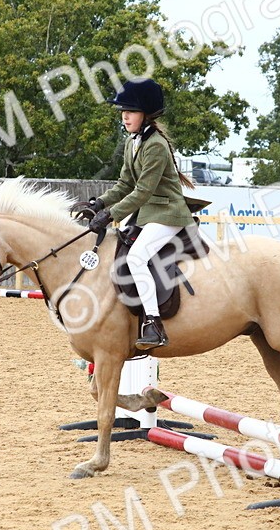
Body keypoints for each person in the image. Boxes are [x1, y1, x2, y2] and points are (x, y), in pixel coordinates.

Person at [72, 79, 195, 350]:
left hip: (167, 214)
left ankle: (153, 323)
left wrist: (110, 215)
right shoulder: (132, 142)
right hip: (147, 214)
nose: (124, 116)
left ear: (146, 114)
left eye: (131, 111)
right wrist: (98, 204)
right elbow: (124, 185)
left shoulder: (156, 145)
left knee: (138, 258)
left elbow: (141, 192)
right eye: (123, 111)